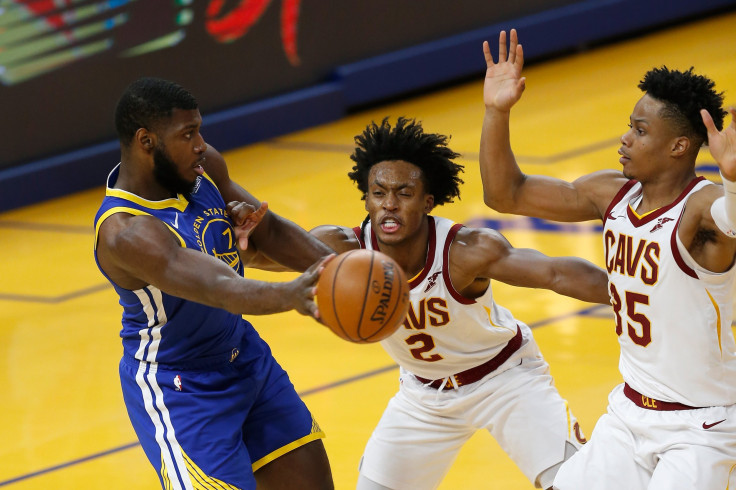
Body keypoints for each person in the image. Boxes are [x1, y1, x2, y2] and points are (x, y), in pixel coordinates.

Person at [234, 116, 610, 489]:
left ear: (428, 201)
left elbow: (556, 274)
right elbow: (263, 256)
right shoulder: (341, 249)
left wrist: (636, 292)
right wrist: (239, 240)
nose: (390, 205)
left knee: (576, 484)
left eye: (404, 193)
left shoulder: (466, 251)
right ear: (366, 199)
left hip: (504, 379)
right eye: (379, 193)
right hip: (423, 398)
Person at [480, 29, 736, 489]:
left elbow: (731, 221)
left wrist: (734, 180)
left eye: (640, 131)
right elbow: (506, 194)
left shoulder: (702, 207)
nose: (625, 138)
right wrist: (496, 111)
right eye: (629, 126)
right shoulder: (610, 193)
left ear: (679, 146)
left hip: (703, 427)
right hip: (630, 411)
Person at [93, 77, 335, 490]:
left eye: (199, 129)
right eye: (188, 135)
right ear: (146, 141)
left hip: (244, 357)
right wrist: (293, 295)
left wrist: (340, 268)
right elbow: (220, 289)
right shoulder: (127, 232)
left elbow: (269, 231)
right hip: (180, 389)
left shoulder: (203, 170)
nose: (201, 144)